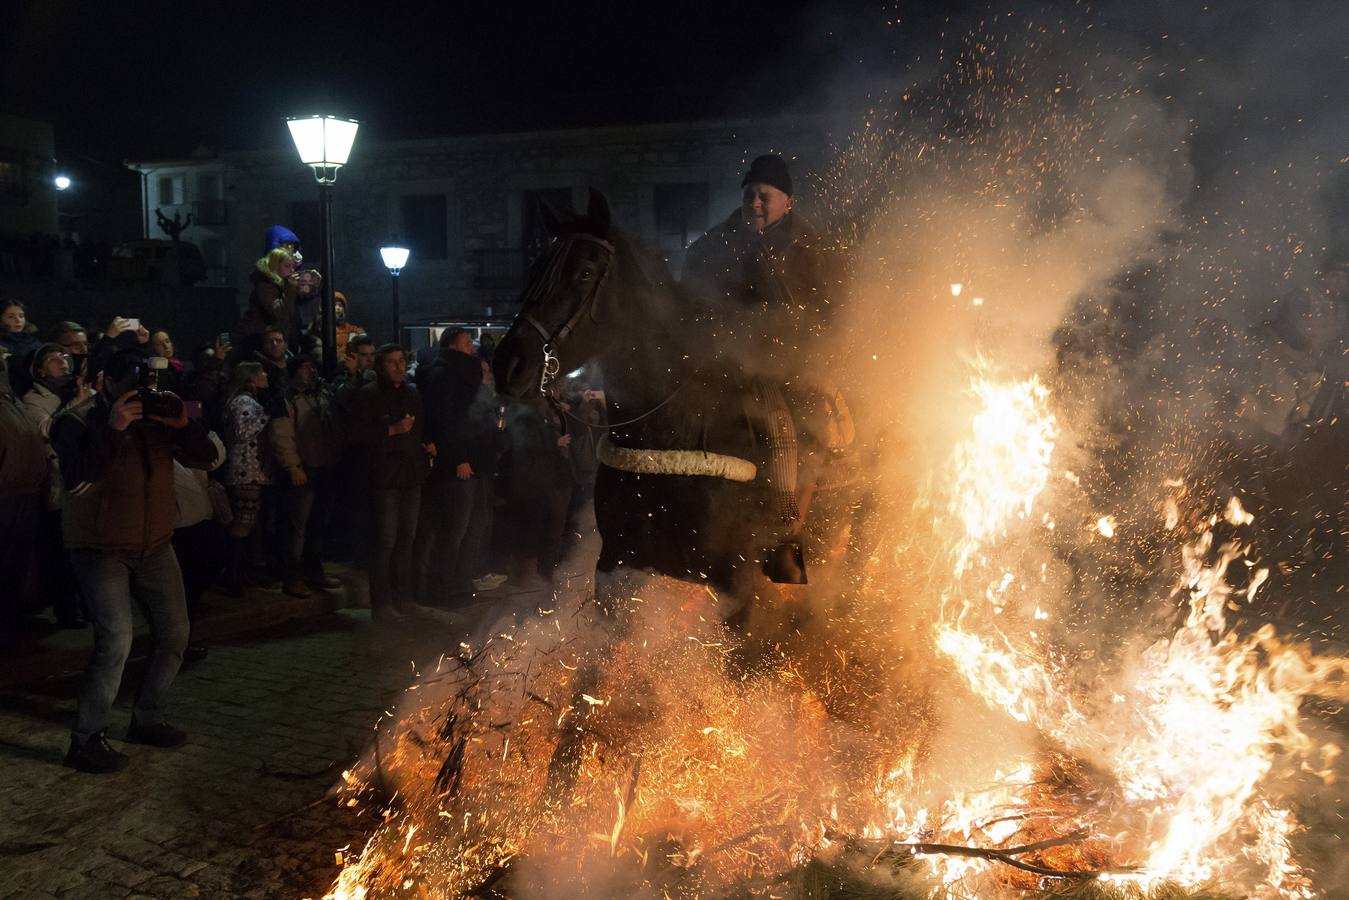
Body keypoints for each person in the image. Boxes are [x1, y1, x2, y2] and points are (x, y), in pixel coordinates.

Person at [50, 349, 218, 773]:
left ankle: (147, 716)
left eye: (147, 385)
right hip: (101, 547)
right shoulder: (77, 420)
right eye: (132, 384)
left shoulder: (157, 416)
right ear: (107, 381)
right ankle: (86, 739)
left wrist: (183, 423)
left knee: (176, 634)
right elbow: (77, 479)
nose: (141, 393)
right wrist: (114, 428)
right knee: (116, 644)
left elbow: (206, 457)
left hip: (156, 543)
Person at [415, 329, 505, 603]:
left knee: (473, 526)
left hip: (478, 460)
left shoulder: (465, 375)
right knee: (455, 528)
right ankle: (444, 587)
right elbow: (448, 421)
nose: (472, 346)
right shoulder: (445, 375)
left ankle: (463, 582)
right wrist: (459, 458)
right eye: (467, 341)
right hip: (461, 465)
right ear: (453, 344)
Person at [350, 344, 433, 620]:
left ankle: (404, 598)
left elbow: (420, 429)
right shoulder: (368, 396)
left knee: (407, 539)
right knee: (386, 540)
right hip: (384, 476)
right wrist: (391, 430)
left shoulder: (412, 394)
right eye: (391, 362)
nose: (398, 367)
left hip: (411, 474)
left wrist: (426, 448)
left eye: (401, 361)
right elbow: (357, 436)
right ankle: (382, 603)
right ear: (380, 366)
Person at [22, 343, 93, 627]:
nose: (63, 362)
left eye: (65, 357)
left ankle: (88, 605)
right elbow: (47, 430)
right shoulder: (32, 400)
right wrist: (79, 402)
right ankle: (67, 608)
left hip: (85, 482)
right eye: (54, 359)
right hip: (57, 485)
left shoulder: (77, 392)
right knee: (61, 554)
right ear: (40, 370)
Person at [269, 354, 341, 597]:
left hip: (326, 466)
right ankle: (292, 576)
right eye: (304, 366)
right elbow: (282, 434)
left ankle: (313, 570)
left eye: (313, 366)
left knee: (318, 524)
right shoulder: (287, 398)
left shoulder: (323, 394)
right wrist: (292, 466)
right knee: (296, 527)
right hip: (305, 468)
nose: (310, 370)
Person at [0, 346, 49, 625]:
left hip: (24, 493)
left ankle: (11, 615)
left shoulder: (11, 400)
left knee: (15, 562)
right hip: (6, 495)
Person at [220, 361, 274, 594]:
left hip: (249, 469)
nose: (266, 375)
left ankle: (241, 573)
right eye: (261, 372)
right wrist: (267, 416)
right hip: (246, 469)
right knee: (242, 523)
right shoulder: (244, 401)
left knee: (247, 522)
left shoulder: (244, 401)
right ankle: (233, 576)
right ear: (251, 379)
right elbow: (244, 431)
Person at [2, 300, 42, 387]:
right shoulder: (2, 345)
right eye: (11, 317)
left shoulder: (33, 341)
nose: (18, 320)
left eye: (21, 316)